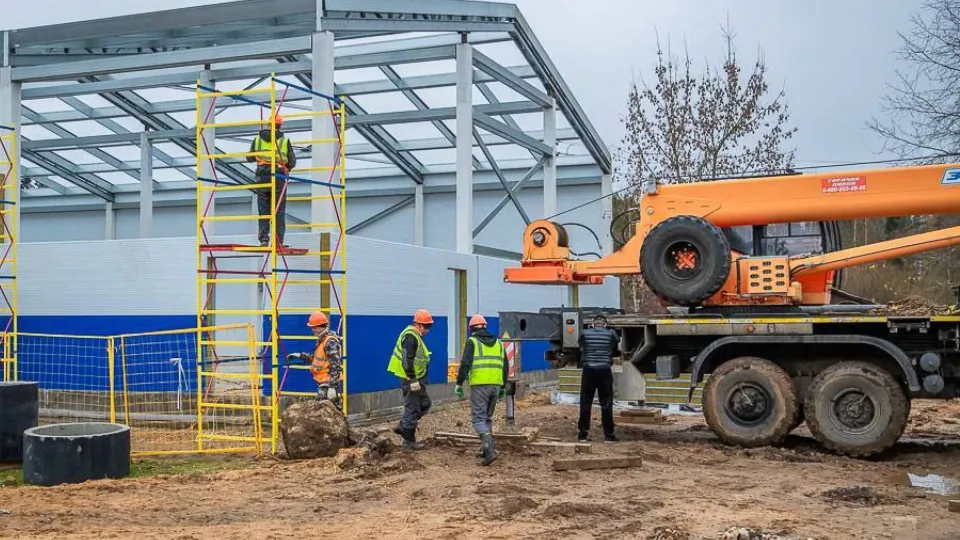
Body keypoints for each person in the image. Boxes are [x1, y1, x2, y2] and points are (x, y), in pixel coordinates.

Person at [454, 314, 508, 466]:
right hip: (496, 385)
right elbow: (506, 366)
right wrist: (503, 386)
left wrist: (459, 383)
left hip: (480, 385)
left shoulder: (472, 342)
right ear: (485, 327)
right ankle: (487, 449)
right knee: (487, 418)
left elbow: (465, 363)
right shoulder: (498, 343)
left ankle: (489, 451)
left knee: (478, 419)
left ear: (471, 329)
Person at [387, 309, 434, 451]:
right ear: (418, 325)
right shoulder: (410, 337)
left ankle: (403, 426)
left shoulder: (415, 336)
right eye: (425, 327)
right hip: (411, 380)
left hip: (418, 379)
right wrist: (413, 379)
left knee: (424, 404)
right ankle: (408, 441)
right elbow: (406, 359)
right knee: (412, 408)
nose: (427, 330)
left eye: (429, 327)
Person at [246, 114, 297, 247]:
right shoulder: (284, 141)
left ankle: (264, 239)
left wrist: (261, 157)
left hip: (262, 174)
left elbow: (249, 158)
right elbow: (292, 161)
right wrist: (287, 168)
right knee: (279, 209)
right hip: (278, 174)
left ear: (269, 125)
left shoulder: (257, 139)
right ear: (280, 126)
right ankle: (279, 242)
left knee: (263, 208)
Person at [286, 311, 343, 411]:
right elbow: (318, 359)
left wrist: (332, 387)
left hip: (328, 384)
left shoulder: (330, 341)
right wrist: (300, 355)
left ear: (320, 326)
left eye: (314, 327)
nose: (312, 330)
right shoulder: (323, 340)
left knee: (322, 414)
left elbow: (335, 365)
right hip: (324, 384)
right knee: (329, 415)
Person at [577, 313, 620, 443]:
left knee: (586, 402)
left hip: (588, 369)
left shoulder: (585, 333)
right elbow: (616, 348)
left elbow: (581, 346)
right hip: (604, 369)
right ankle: (609, 435)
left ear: (593, 323)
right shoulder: (611, 333)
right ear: (605, 324)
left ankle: (583, 435)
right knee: (606, 403)